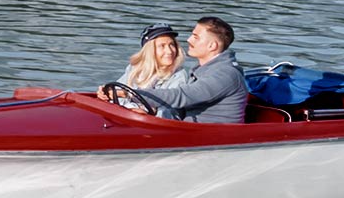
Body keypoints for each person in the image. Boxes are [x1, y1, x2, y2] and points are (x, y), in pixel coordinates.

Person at [101, 16, 247, 124]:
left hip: (210, 138)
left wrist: (130, 93)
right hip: (190, 132)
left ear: (212, 46)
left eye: (195, 37)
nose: (188, 40)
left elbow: (182, 96)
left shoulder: (225, 74)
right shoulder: (203, 70)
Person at [114, 21, 189, 118]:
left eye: (171, 44)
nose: (169, 51)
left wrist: (150, 112)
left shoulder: (178, 75)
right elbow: (118, 91)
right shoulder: (135, 69)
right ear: (150, 50)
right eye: (162, 46)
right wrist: (107, 93)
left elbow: (170, 110)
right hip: (126, 117)